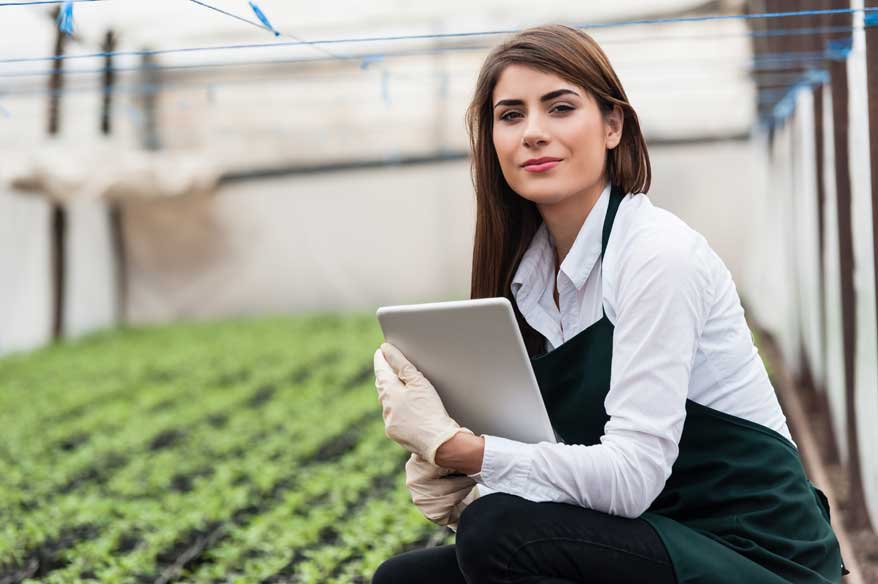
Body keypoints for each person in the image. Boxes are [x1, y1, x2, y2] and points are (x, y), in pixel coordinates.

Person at [370, 23, 846, 584]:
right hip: (655, 535)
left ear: (613, 125)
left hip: (756, 556)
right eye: (511, 115)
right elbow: (563, 471)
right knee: (405, 579)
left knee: (499, 532)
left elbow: (630, 478)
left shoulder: (655, 255)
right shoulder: (524, 280)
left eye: (560, 107)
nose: (533, 133)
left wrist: (465, 451)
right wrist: (460, 486)